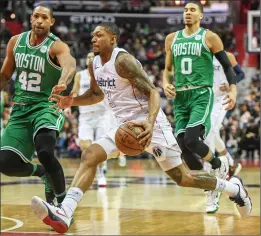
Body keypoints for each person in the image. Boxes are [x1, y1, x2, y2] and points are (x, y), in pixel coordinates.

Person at [31, 22, 252, 234]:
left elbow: (153, 92)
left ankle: (234, 189)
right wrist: (71, 101)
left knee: (183, 178)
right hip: (124, 127)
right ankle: (66, 212)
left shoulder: (124, 61)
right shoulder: (94, 63)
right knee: (90, 155)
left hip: (151, 125)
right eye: (93, 35)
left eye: (99, 35)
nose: (94, 38)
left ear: (113, 39)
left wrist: (149, 121)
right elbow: (97, 95)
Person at [162, 2, 241, 213]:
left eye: (192, 10)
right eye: (185, 9)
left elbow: (228, 66)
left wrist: (233, 90)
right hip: (180, 96)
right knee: (183, 148)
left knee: (191, 139)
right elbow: (167, 69)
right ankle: (211, 185)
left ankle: (218, 164)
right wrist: (165, 83)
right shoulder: (172, 39)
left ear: (201, 15)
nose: (188, 12)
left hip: (201, 93)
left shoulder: (210, 37)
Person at [0, 3, 76, 205]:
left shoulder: (56, 45)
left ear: (51, 22)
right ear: (31, 19)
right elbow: (5, 75)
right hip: (20, 109)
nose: (40, 20)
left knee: (44, 151)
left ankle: (63, 205)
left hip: (46, 106)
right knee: (5, 163)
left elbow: (70, 64)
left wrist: (63, 81)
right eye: (36, 16)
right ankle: (41, 172)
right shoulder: (16, 42)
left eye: (44, 17)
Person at [64, 51, 121, 187]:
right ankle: (100, 164)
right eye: (88, 57)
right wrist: (68, 106)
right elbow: (74, 92)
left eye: (92, 57)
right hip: (86, 117)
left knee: (99, 147)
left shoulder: (104, 74)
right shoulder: (80, 75)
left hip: (102, 115)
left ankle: (100, 173)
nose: (90, 59)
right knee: (85, 146)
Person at [203, 52, 245, 213]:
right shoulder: (202, 56)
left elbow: (240, 73)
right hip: (208, 98)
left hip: (223, 98)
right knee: (213, 134)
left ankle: (210, 175)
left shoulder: (227, 56)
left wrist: (229, 84)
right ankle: (231, 164)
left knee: (210, 131)